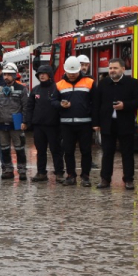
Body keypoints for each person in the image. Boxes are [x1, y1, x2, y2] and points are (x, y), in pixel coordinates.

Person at [94, 58, 138, 189]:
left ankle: (128, 179)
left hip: (125, 123)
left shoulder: (132, 83)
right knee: (107, 153)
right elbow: (96, 103)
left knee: (127, 153)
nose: (112, 71)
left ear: (123, 69)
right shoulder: (103, 83)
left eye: (115, 68)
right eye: (110, 68)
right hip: (107, 124)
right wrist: (96, 122)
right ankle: (105, 179)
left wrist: (125, 105)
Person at [57, 55, 97, 186]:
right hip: (67, 124)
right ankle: (71, 175)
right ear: (65, 71)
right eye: (70, 72)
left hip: (85, 123)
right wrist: (59, 104)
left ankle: (85, 176)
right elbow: (52, 101)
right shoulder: (59, 85)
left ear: (80, 70)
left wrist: (95, 121)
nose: (72, 75)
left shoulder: (89, 82)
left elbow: (96, 102)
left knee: (86, 151)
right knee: (68, 151)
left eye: (74, 73)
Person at [0, 62, 29, 181]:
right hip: (1, 124)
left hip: (16, 124)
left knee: (19, 148)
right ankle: (7, 170)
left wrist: (25, 122)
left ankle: (21, 170)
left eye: (9, 74)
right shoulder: (0, 89)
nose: (6, 77)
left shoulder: (22, 89)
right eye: (5, 74)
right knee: (4, 148)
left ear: (15, 75)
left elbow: (25, 107)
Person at [23, 65, 63, 182]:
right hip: (38, 126)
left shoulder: (57, 88)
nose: (42, 75)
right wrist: (27, 122)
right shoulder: (35, 90)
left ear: (50, 75)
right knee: (40, 150)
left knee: (56, 150)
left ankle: (59, 173)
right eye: (39, 73)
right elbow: (29, 107)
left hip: (53, 126)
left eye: (44, 73)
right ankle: (41, 173)